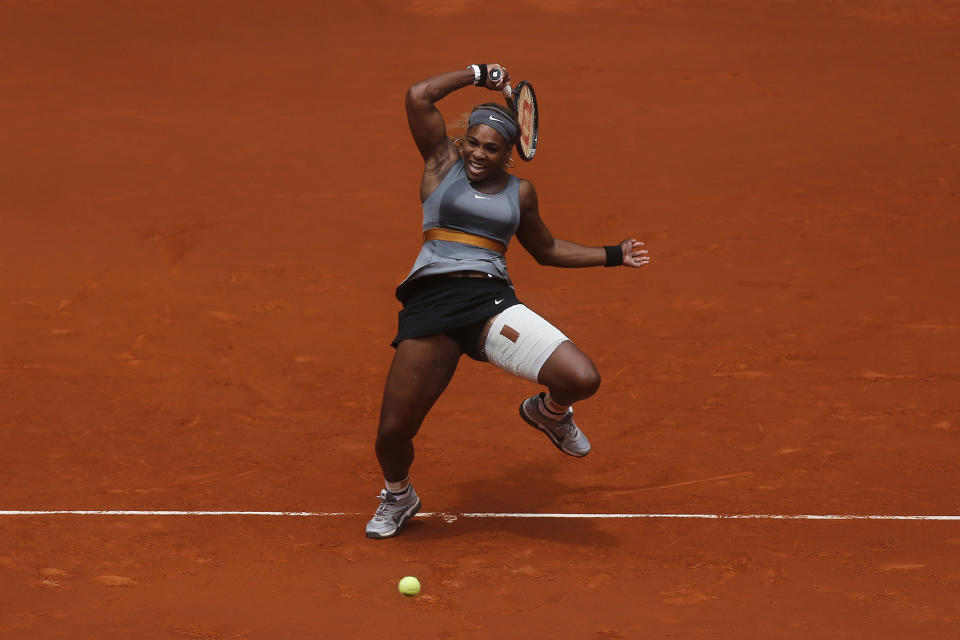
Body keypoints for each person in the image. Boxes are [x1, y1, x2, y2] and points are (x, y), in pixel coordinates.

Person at [366, 63, 650, 539]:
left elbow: (547, 250)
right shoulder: (441, 165)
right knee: (393, 432)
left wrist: (612, 254)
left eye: (491, 148)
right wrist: (477, 73)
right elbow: (418, 95)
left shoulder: (521, 193)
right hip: (431, 308)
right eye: (472, 143)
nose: (478, 153)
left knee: (582, 377)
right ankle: (399, 495)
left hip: (487, 301)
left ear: (509, 153)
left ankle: (548, 413)